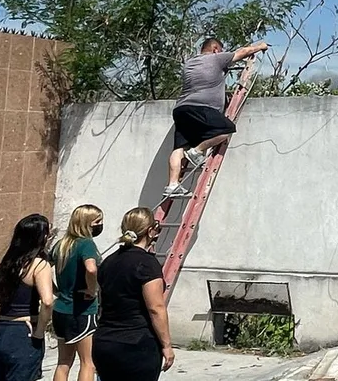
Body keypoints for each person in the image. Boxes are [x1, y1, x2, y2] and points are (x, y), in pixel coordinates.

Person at [164, 37, 269, 197]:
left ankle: (172, 185)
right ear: (215, 49)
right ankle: (196, 152)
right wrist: (261, 46)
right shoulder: (216, 58)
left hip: (181, 109)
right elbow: (243, 52)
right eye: (220, 49)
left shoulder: (189, 64)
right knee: (226, 129)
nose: (222, 52)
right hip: (202, 107)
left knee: (179, 147)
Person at [92, 208, 175, 381]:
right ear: (150, 231)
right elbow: (156, 308)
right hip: (136, 343)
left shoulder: (109, 261)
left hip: (105, 341)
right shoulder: (147, 263)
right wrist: (167, 345)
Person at [0, 213, 55, 381]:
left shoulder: (6, 265)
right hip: (24, 333)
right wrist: (40, 332)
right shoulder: (39, 265)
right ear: (42, 237)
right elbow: (47, 302)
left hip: (2, 332)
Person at [51, 204, 104, 381]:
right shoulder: (86, 244)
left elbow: (42, 266)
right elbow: (91, 268)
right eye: (98, 221)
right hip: (82, 310)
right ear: (87, 223)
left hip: (60, 310)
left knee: (63, 362)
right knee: (87, 363)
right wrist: (92, 289)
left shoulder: (62, 245)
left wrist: (54, 290)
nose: (101, 225)